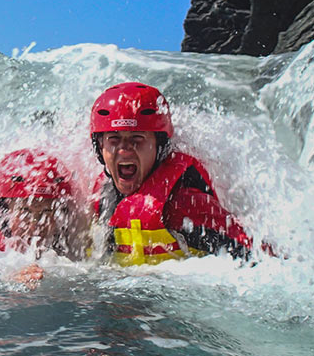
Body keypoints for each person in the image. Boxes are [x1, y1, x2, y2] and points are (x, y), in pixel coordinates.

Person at [89, 82, 253, 265]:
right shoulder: (103, 197)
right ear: (100, 147)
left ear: (160, 146)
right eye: (114, 139)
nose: (124, 149)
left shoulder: (183, 204)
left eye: (137, 139)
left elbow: (253, 262)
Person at [0, 148, 79, 285]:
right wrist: (8, 277)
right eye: (25, 212)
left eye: (46, 212)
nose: (34, 225)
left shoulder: (68, 246)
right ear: (5, 211)